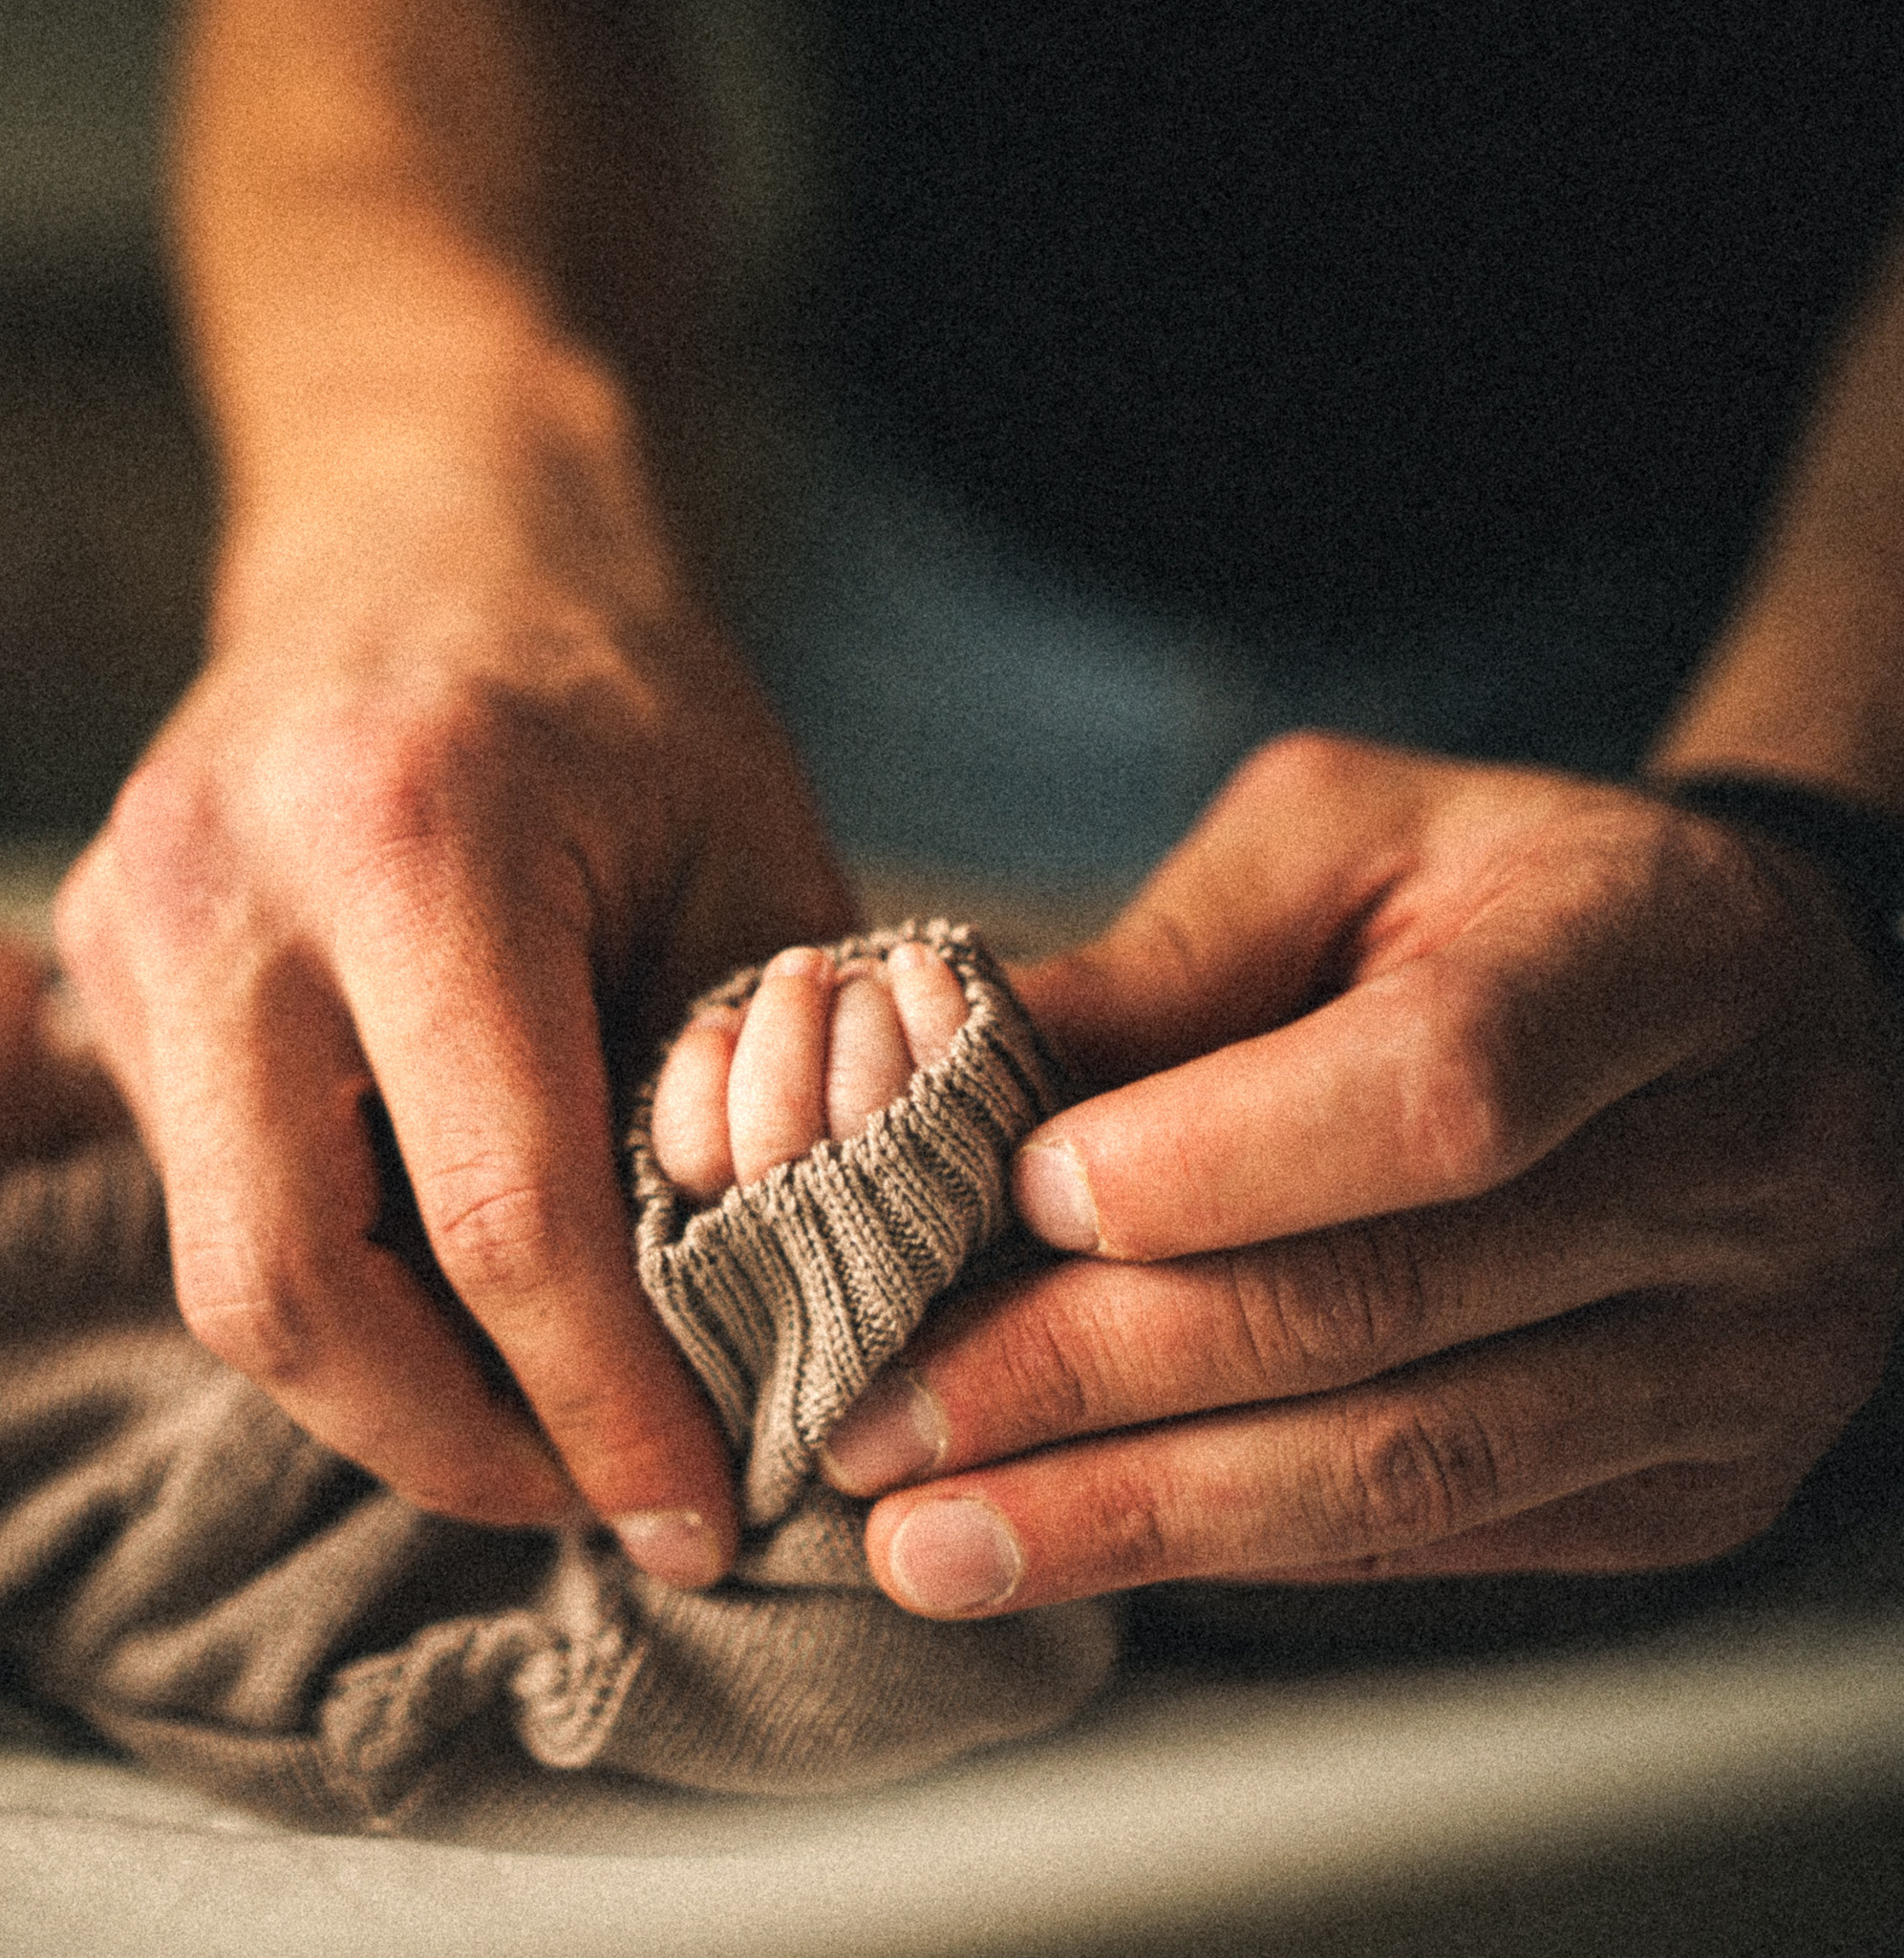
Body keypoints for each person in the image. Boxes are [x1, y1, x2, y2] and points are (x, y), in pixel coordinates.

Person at [52, 0, 1904, 1611]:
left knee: (1519, 1402)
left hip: (1758, 577)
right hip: (948, 580)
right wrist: (418, 514)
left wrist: (1836, 842)